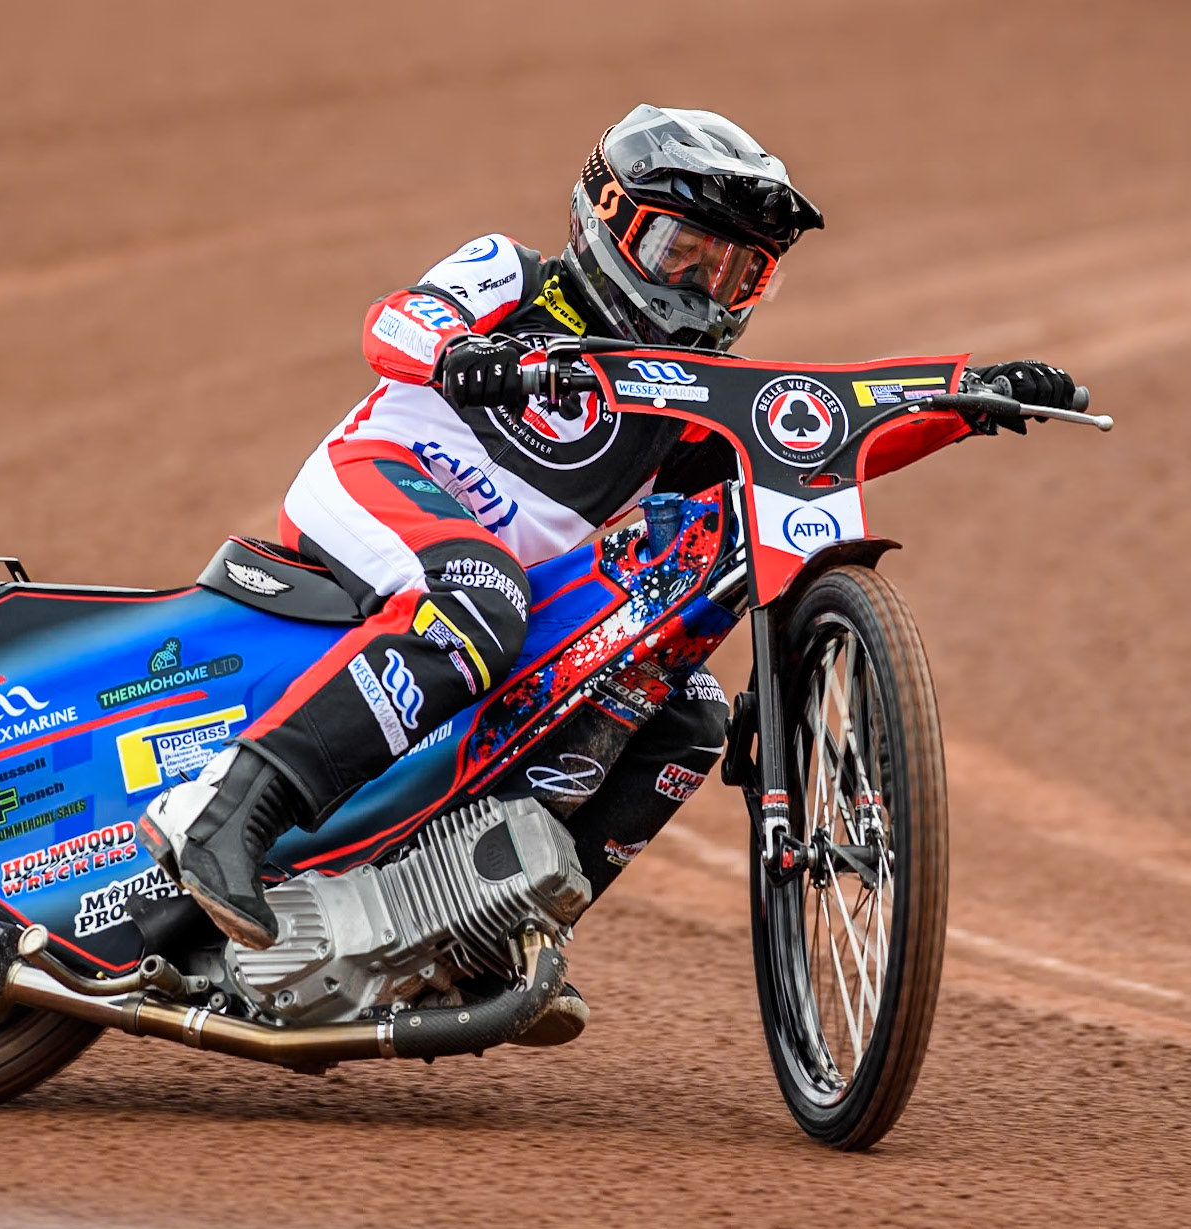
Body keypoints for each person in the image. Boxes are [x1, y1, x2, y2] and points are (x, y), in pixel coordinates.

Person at [136, 104, 1075, 949]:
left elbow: (817, 435)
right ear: (609, 219)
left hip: (493, 574)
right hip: (384, 480)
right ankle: (222, 815)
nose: (705, 288)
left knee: (687, 708)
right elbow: (399, 319)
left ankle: (477, 928)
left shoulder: (688, 405)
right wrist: (465, 352)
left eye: (737, 270)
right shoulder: (516, 272)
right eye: (684, 252)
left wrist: (967, 400)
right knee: (481, 599)